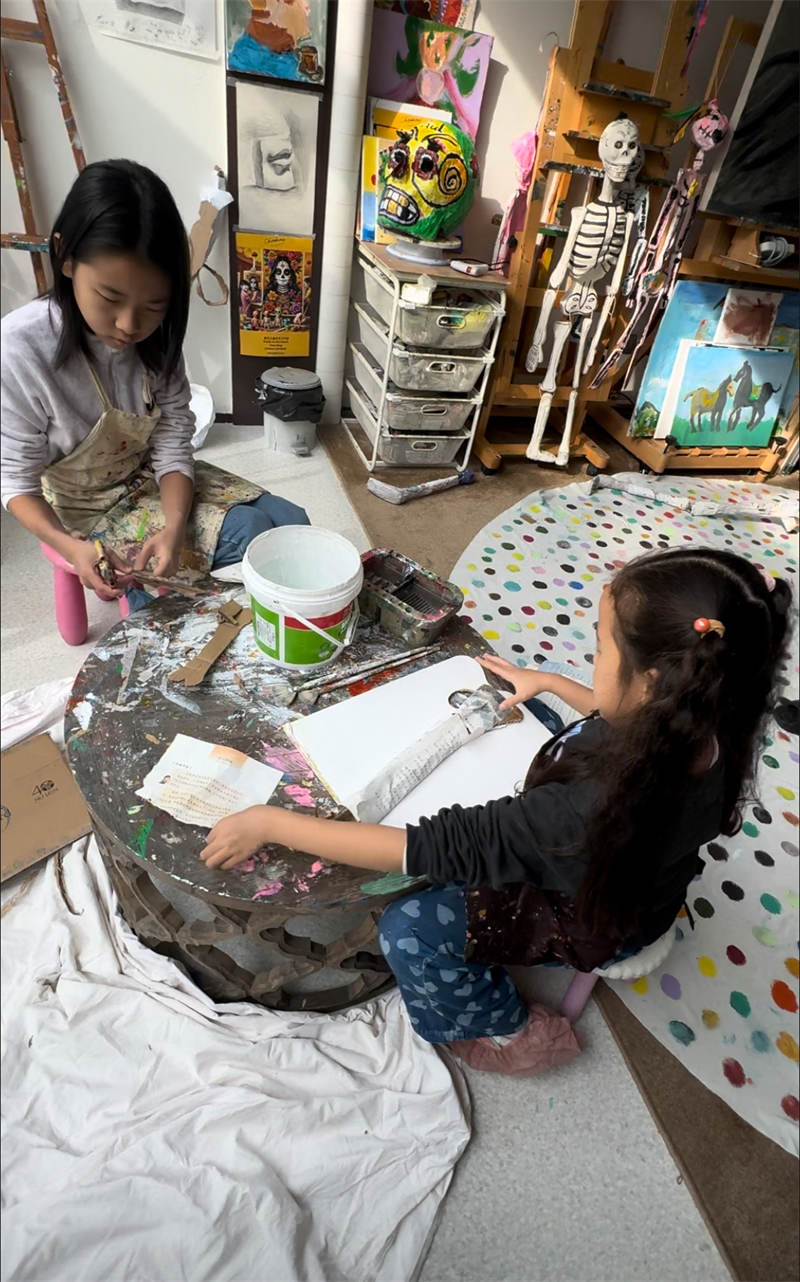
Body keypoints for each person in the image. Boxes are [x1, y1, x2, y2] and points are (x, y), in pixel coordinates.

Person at [198, 549, 791, 1074]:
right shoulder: (711, 728)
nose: (594, 656)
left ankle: (510, 1030)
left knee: (408, 926)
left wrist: (273, 823)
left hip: (591, 917)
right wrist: (556, 684)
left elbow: (432, 846)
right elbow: (626, 716)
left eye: (601, 647)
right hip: (643, 885)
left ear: (655, 683)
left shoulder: (582, 812)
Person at [1, 159, 308, 615]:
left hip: (153, 477)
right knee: (250, 532)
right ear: (66, 257)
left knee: (292, 523)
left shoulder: (157, 337)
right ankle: (156, 617)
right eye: (109, 298)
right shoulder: (21, 348)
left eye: (154, 305)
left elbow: (171, 445)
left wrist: (175, 524)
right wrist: (69, 546)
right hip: (86, 506)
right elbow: (16, 485)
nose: (128, 325)